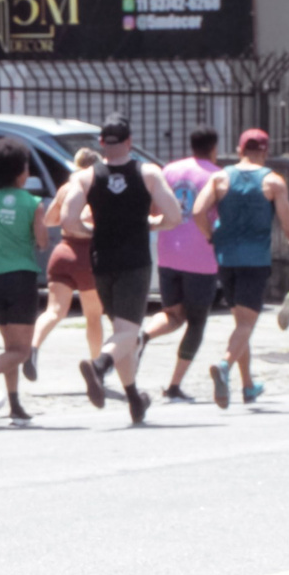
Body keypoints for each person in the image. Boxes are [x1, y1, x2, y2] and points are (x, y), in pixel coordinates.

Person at [61, 114, 185, 424]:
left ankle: (134, 399)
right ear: (130, 142)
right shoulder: (148, 173)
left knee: (121, 333)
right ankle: (99, 366)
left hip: (102, 260)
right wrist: (152, 224)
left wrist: (90, 231)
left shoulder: (85, 177)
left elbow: (68, 220)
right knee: (129, 332)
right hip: (134, 260)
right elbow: (174, 215)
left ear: (101, 142)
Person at [191, 129, 289, 409]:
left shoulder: (220, 178)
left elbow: (197, 211)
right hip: (255, 261)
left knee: (241, 324)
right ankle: (224, 365)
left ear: (239, 149)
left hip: (226, 259)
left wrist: (210, 236)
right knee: (246, 324)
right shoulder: (273, 181)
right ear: (266, 151)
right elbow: (288, 222)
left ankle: (247, 385)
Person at [140, 126, 226, 401]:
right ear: (214, 147)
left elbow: (155, 209)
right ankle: (174, 386)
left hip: (168, 252)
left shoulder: (169, 170)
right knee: (196, 323)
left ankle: (143, 336)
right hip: (201, 257)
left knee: (172, 313)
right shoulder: (217, 176)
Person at [0, 137, 47, 423]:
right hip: (21, 279)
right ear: (21, 171)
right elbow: (43, 241)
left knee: (11, 347)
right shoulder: (33, 203)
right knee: (22, 350)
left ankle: (15, 404)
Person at [31, 146, 108, 372]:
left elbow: (50, 220)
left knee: (53, 311)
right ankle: (96, 366)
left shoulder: (66, 188)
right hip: (87, 256)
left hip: (62, 254)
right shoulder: (97, 188)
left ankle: (33, 348)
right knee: (93, 317)